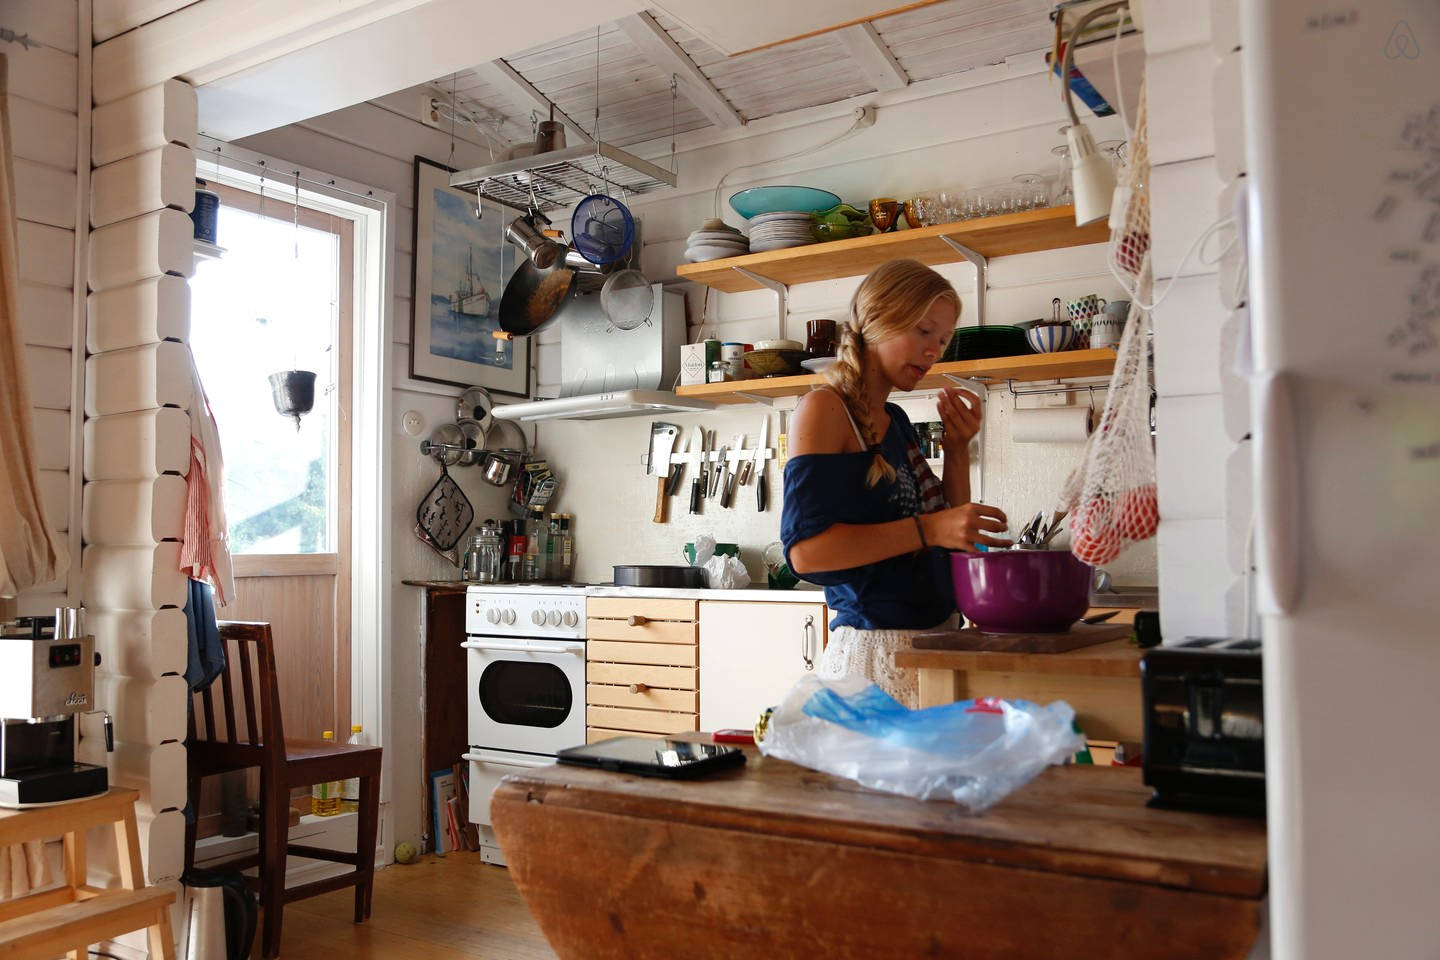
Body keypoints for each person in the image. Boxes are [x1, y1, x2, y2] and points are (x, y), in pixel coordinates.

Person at [780, 259, 1010, 706]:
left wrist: (958, 448)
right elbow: (806, 554)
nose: (934, 352)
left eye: (942, 340)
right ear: (880, 318)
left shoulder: (896, 420)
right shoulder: (824, 409)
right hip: (875, 663)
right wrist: (930, 530)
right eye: (924, 332)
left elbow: (947, 536)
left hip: (935, 645)